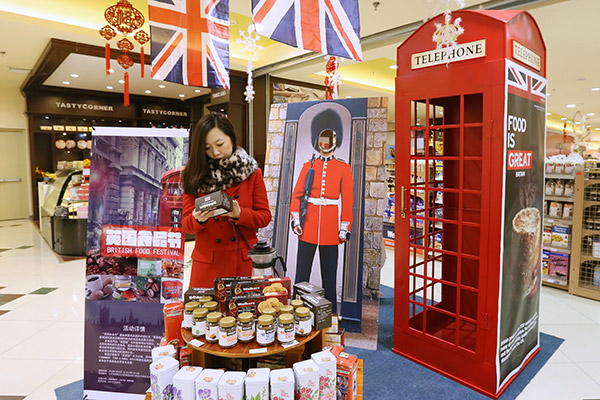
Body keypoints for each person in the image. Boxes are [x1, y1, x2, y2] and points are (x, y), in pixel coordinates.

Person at [182, 112, 271, 288]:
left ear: (231, 137)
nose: (215, 152)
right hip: (208, 265)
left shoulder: (251, 172)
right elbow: (186, 224)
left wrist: (240, 214)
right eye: (207, 148)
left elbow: (264, 216)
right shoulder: (194, 174)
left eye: (220, 144)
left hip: (243, 261)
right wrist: (197, 219)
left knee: (244, 305)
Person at [290, 108, 353, 314]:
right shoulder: (308, 165)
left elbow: (348, 201)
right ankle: (297, 312)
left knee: (329, 277)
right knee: (302, 274)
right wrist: (296, 220)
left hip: (330, 229)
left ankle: (330, 316)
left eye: (329, 138)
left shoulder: (343, 168)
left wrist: (344, 228)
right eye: (322, 138)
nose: (325, 143)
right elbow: (297, 195)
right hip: (308, 225)